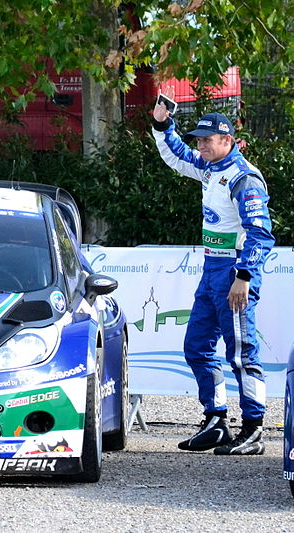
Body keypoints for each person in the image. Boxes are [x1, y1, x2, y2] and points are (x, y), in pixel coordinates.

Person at [151, 95, 275, 455]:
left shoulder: (243, 178)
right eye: (199, 139)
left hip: (234, 272)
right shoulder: (209, 167)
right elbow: (176, 155)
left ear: (227, 140)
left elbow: (261, 233)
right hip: (211, 269)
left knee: (241, 352)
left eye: (208, 140)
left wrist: (244, 276)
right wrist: (162, 125)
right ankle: (216, 420)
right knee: (197, 348)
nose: (201, 145)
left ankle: (253, 429)